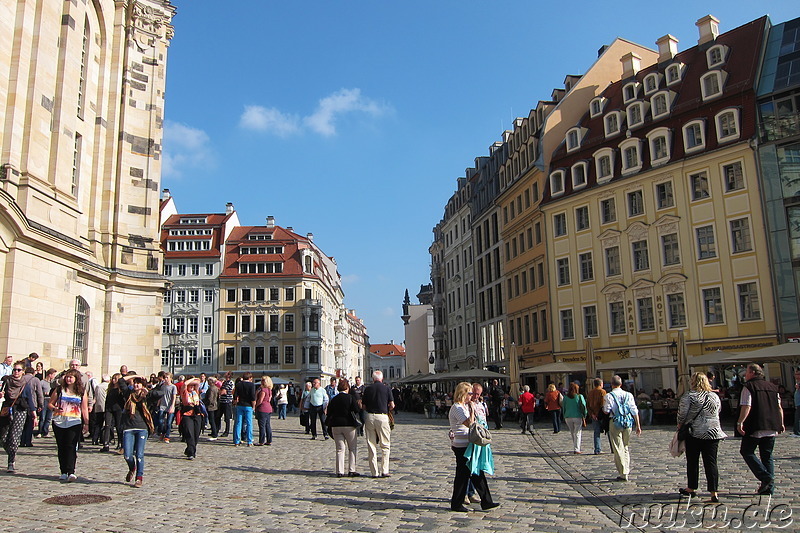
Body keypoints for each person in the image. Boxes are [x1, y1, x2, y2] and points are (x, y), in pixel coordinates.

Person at [448, 381, 499, 513]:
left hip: (469, 444)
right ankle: (457, 503)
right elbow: (469, 423)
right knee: (463, 474)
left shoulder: (463, 406)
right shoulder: (457, 407)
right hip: (462, 446)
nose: (471, 396)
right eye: (470, 393)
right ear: (463, 393)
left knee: (475, 473)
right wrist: (471, 410)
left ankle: (486, 501)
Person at [677, 372, 726, 502]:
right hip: (713, 432)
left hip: (695, 432)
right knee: (711, 462)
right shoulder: (714, 396)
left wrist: (680, 425)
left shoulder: (689, 396)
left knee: (693, 461)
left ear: (693, 382)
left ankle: (692, 488)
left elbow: (682, 414)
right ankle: (713, 492)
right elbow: (718, 411)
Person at [736, 363, 784, 495]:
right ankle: (769, 487)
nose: (745, 375)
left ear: (752, 373)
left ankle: (766, 477)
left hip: (756, 424)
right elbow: (779, 406)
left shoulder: (749, 387)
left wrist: (740, 422)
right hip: (771, 425)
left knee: (747, 451)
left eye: (746, 372)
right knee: (767, 456)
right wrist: (781, 422)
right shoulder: (772, 387)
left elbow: (746, 406)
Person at [49, 368, 89, 481]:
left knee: (71, 446)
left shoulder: (81, 392)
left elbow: (84, 408)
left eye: (71, 377)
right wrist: (55, 408)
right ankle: (63, 471)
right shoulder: (59, 390)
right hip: (59, 421)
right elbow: (50, 404)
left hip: (74, 421)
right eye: (67, 376)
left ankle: (71, 471)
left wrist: (86, 423)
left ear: (76, 379)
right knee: (61, 447)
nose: (68, 379)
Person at [602, 375, 641, 481]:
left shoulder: (609, 396)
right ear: (621, 384)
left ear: (612, 384)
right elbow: (634, 410)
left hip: (615, 422)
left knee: (617, 447)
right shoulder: (628, 395)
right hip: (628, 422)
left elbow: (606, 410)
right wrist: (638, 425)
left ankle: (623, 472)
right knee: (625, 447)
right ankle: (626, 469)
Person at [0, 360, 35, 473]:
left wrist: (34, 413)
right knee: (3, 437)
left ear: (23, 372)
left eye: (19, 370)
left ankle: (11, 461)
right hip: (6, 408)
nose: (16, 372)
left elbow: (30, 398)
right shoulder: (7, 381)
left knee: (14, 437)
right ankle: (10, 451)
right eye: (14, 369)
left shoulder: (25, 383)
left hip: (20, 409)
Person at [120, 375, 154, 488]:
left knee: (139, 454)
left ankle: (139, 477)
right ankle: (132, 468)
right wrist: (134, 376)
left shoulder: (146, 397)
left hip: (142, 428)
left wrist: (147, 392)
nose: (136, 385)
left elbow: (159, 394)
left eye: (138, 383)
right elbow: (121, 381)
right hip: (128, 427)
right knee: (127, 455)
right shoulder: (128, 395)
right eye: (134, 383)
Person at [326, 378, 361, 477]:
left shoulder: (334, 399)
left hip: (336, 425)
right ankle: (351, 470)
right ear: (347, 388)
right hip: (349, 424)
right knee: (352, 448)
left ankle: (340, 471)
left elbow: (329, 412)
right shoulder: (350, 398)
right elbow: (356, 410)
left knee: (339, 449)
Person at [362, 370, 394, 477]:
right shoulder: (386, 388)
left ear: (373, 379)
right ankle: (384, 470)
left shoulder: (367, 389)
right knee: (385, 445)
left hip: (370, 416)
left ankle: (374, 472)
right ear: (382, 378)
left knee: (371, 445)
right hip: (382, 416)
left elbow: (364, 406)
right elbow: (392, 405)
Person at [179, 377, 203, 459]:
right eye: (191, 385)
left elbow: (198, 382)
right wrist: (190, 380)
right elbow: (185, 384)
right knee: (189, 433)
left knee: (196, 434)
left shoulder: (195, 392)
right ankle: (191, 453)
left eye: (193, 385)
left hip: (197, 414)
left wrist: (195, 379)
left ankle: (189, 450)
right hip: (187, 414)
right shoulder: (184, 392)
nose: (192, 387)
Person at [103, 373, 125, 453]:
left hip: (118, 409)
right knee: (107, 426)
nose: (113, 380)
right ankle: (106, 444)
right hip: (109, 409)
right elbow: (107, 400)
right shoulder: (110, 389)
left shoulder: (120, 390)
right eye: (113, 378)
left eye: (115, 379)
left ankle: (121, 443)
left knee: (119, 427)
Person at [562, 382, 587, 454]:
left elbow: (564, 407)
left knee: (572, 432)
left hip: (568, 416)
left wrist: (564, 415)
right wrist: (584, 415)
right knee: (577, 433)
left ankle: (575, 446)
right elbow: (583, 406)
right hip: (577, 416)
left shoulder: (565, 397)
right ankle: (577, 449)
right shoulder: (579, 396)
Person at [233, 372, 256, 446]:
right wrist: (254, 406)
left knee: (238, 423)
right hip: (248, 405)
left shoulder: (238, 384)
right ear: (250, 378)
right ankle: (249, 441)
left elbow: (235, 395)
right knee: (249, 423)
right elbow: (252, 396)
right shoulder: (251, 385)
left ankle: (237, 440)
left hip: (240, 405)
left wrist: (236, 402)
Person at [587, 378, 607, 455]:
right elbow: (604, 404)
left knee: (596, 432)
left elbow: (588, 405)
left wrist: (592, 414)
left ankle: (597, 449)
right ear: (601, 384)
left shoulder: (590, 392)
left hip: (593, 415)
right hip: (601, 415)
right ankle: (613, 448)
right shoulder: (602, 391)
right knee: (608, 431)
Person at [255, 376, 274, 446]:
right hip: (268, 408)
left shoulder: (263, 390)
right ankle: (269, 440)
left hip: (262, 408)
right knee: (267, 425)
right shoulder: (269, 390)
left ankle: (261, 441)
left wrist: (255, 406)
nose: (261, 381)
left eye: (263, 380)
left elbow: (260, 400)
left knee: (262, 426)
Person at [218, 372, 234, 437]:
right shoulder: (224, 382)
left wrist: (220, 391)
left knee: (227, 418)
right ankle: (216, 429)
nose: (224, 374)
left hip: (227, 402)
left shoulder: (230, 382)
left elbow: (223, 392)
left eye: (226, 373)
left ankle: (226, 431)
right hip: (222, 401)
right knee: (218, 416)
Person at [792, 369, 800, 437]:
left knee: (798, 418)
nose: (795, 376)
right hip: (797, 403)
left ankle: (797, 432)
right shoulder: (797, 382)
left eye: (797, 374)